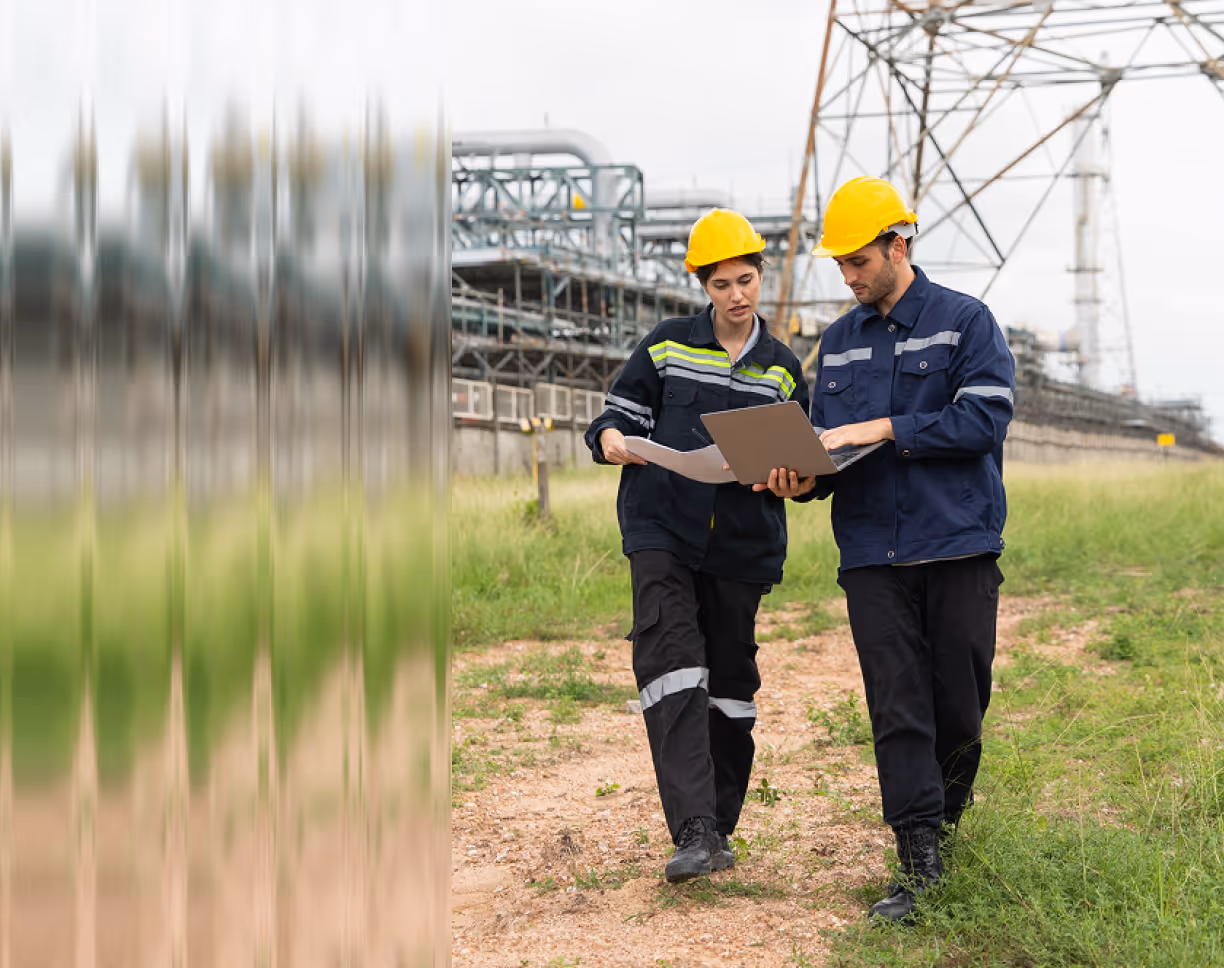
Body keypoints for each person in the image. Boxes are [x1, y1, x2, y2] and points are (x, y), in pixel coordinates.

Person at [760, 177, 1015, 921]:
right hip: (872, 553)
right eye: (839, 264)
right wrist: (793, 479)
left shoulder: (967, 323)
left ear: (897, 246)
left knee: (959, 709)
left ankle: (943, 819)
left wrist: (884, 427)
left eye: (856, 261)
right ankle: (919, 860)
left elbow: (981, 424)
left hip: (956, 544)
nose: (846, 275)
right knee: (898, 705)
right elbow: (822, 454)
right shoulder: (837, 345)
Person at [584, 209, 809, 883]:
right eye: (720, 285)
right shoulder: (666, 346)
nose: (735, 296)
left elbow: (806, 467)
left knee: (731, 688)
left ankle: (720, 825)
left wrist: (793, 481)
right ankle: (694, 829)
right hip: (662, 529)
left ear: (761, 276)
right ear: (701, 286)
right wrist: (609, 439)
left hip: (741, 545)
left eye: (745, 280)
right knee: (672, 665)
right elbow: (618, 413)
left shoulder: (783, 369)